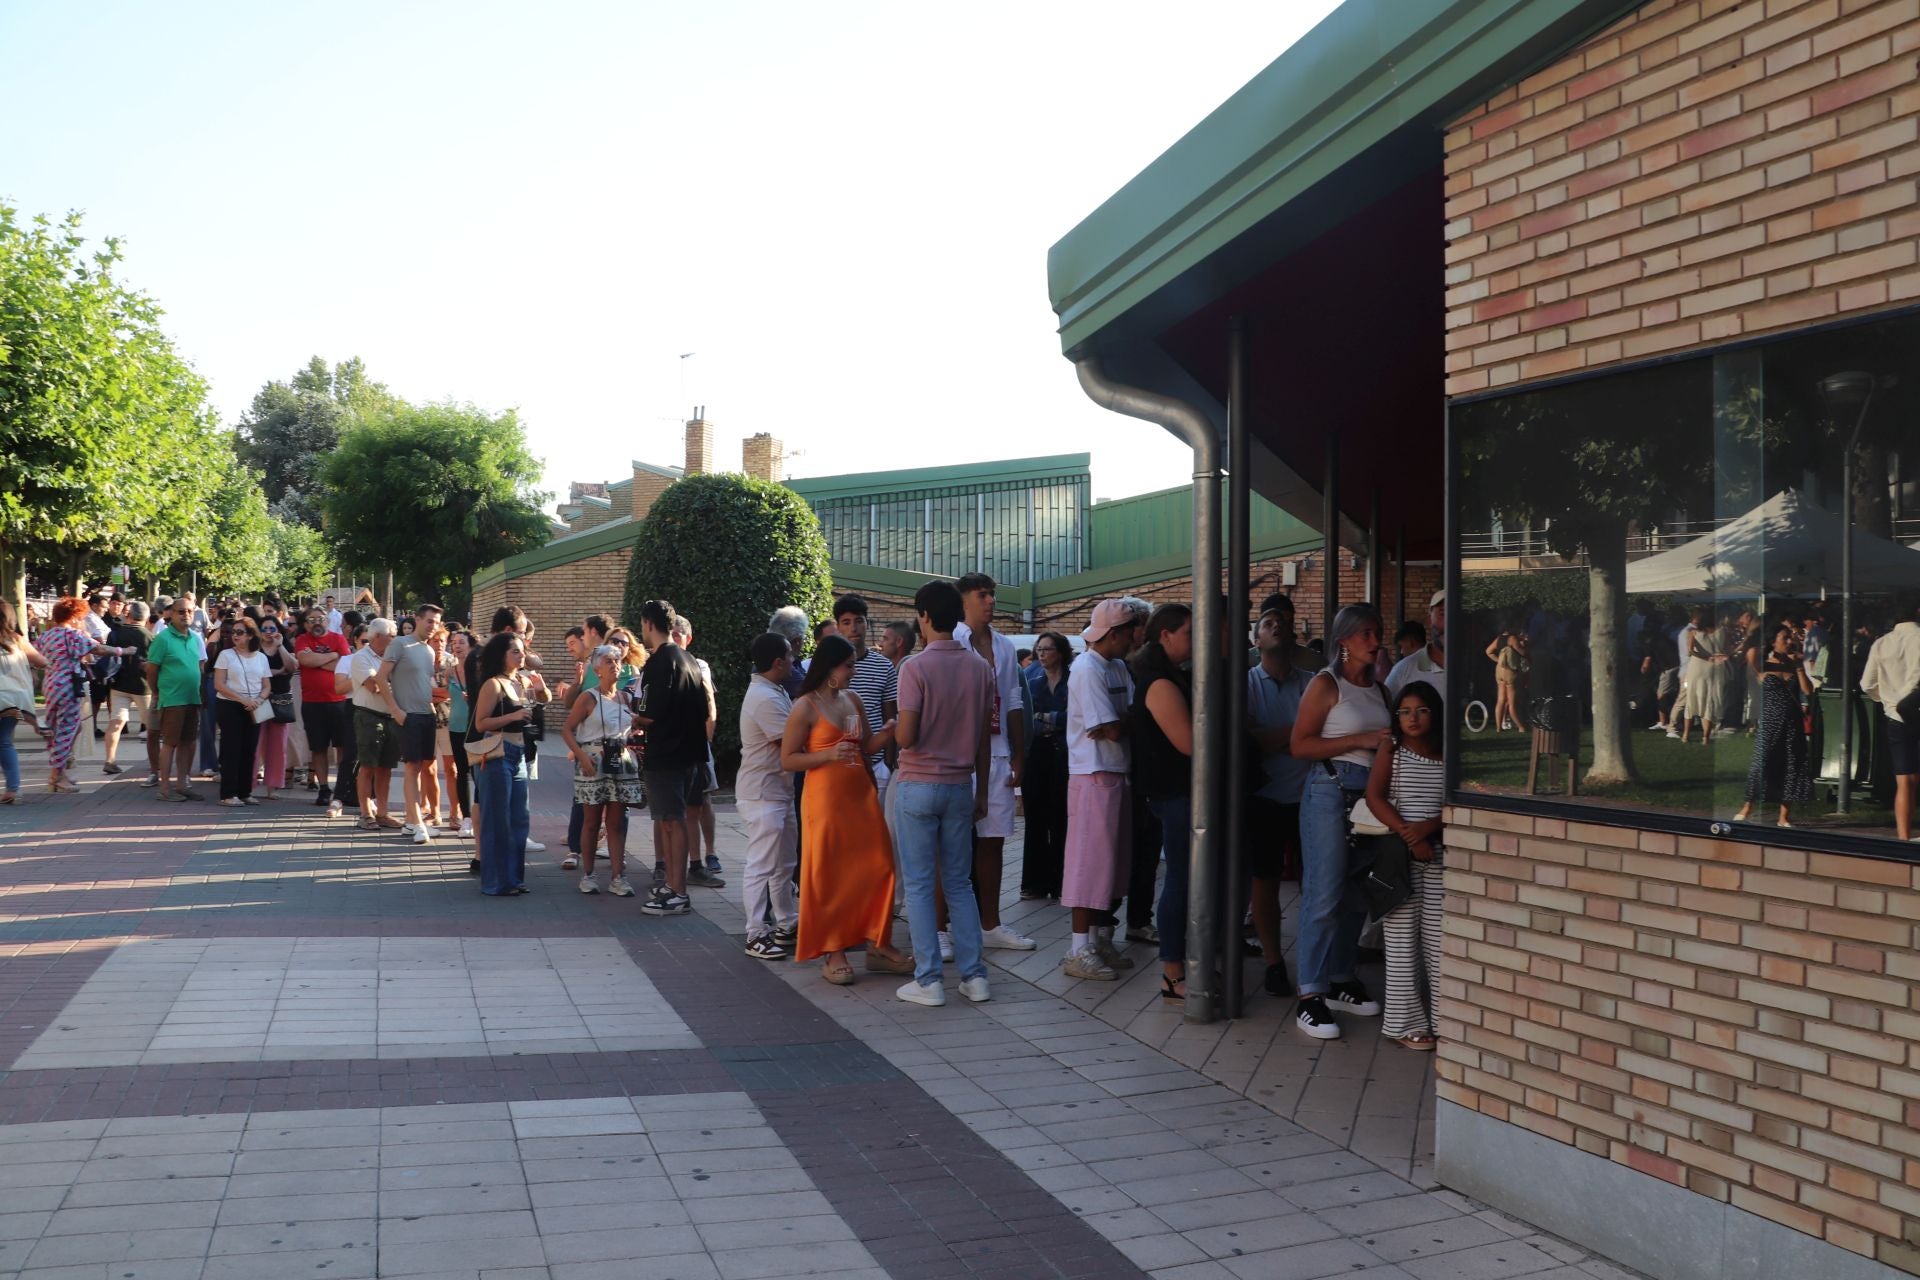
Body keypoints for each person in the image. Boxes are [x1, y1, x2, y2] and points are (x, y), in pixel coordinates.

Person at [782, 635, 912, 984]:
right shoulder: (805, 706)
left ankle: (878, 942)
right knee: (829, 874)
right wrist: (826, 754)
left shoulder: (852, 699)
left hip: (860, 796)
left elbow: (865, 746)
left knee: (880, 866)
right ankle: (833, 951)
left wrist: (888, 732)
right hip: (824, 799)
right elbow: (788, 758)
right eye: (849, 665)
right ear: (830, 668)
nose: (855, 670)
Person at [1288, 602, 1392, 1040]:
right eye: (1365, 633)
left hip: (1370, 795)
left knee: (1356, 892)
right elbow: (1299, 745)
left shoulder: (1381, 690)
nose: (1374, 641)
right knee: (1324, 892)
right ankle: (1310, 993)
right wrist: (1361, 739)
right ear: (1343, 639)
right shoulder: (1325, 684)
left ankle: (1340, 976)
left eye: (1377, 632)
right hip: (1330, 789)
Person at [892, 580, 994, 1007]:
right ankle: (974, 977)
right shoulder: (980, 668)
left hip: (917, 785)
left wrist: (891, 730)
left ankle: (929, 980)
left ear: (924, 617)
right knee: (959, 884)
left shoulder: (913, 668)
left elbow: (908, 735)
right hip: (960, 786)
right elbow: (986, 740)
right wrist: (982, 791)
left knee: (918, 885)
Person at [948, 574, 1035, 952]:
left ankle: (990, 924)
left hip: (998, 751)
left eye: (993, 595)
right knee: (950, 843)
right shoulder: (951, 640)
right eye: (982, 595)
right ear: (964, 601)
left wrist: (1019, 752)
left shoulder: (1003, 644)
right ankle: (941, 927)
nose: (990, 601)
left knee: (993, 841)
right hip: (957, 753)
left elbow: (1014, 699)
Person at [1060, 600, 1142, 981]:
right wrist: (1121, 723)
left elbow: (1130, 719)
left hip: (1115, 770)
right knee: (1089, 865)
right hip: (1092, 773)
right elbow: (1109, 728)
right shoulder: (1086, 669)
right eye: (1130, 632)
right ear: (1114, 633)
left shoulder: (1118, 667)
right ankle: (1079, 948)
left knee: (1111, 865)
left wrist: (1120, 722)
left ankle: (1096, 939)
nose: (1134, 639)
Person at [1365, 680, 1446, 1051]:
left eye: (1422, 710)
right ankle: (1405, 1024)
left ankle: (1447, 1019)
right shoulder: (1392, 750)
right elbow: (1375, 797)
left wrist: (1428, 831)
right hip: (1400, 856)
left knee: (1439, 940)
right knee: (1400, 943)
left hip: (1439, 854)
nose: (1413, 718)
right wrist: (1411, 836)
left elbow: (1454, 802)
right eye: (1405, 711)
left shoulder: (1448, 752)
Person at [1247, 597, 1311, 995]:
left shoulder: (1311, 681)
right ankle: (1273, 962)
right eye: (1269, 622)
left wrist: (1282, 737)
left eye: (1284, 622)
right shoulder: (1246, 682)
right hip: (1264, 798)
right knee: (1264, 882)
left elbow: (1324, 736)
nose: (1278, 626)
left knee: (1317, 885)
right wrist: (1301, 733)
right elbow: (1254, 742)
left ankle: (1314, 962)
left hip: (1310, 797)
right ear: (1256, 638)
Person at [1131, 603, 1194, 1004]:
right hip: (1174, 794)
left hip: (1175, 792)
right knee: (1181, 880)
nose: (1196, 640)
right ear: (1165, 635)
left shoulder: (1168, 677)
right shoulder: (1159, 683)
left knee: (1186, 880)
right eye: (1189, 632)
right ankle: (1172, 971)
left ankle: (1180, 966)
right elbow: (1189, 743)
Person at [633, 600, 706, 916]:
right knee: (671, 821)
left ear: (648, 624)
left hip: (666, 753)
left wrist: (633, 717)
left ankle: (678, 891)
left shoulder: (659, 661)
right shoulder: (688, 658)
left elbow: (648, 713)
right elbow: (703, 709)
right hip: (690, 752)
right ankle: (674, 886)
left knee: (672, 822)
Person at [560, 644, 645, 896]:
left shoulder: (625, 698)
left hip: (621, 761)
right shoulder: (588, 697)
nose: (614, 665)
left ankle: (618, 876)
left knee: (617, 822)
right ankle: (588, 874)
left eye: (618, 661)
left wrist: (638, 725)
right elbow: (567, 729)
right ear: (596, 668)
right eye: (608, 661)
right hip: (594, 761)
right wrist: (582, 757)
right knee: (591, 821)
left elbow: (632, 725)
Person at [738, 634, 801, 960]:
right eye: (790, 656)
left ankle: (786, 923)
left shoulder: (773, 690)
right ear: (777, 662)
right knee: (762, 865)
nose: (794, 660)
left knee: (784, 863)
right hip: (763, 794)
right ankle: (756, 934)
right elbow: (790, 746)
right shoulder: (765, 697)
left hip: (778, 791)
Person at [39, 597, 134, 793]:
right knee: (68, 730)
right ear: (74, 616)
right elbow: (99, 648)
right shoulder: (72, 634)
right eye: (81, 616)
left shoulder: (47, 635)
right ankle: (57, 775)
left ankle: (59, 773)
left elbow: (37, 656)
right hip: (68, 686)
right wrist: (124, 651)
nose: (82, 620)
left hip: (50, 685)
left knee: (62, 729)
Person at [468, 632, 535, 896]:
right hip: (496, 752)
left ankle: (514, 879)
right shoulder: (493, 684)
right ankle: (496, 882)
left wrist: (540, 693)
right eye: (515, 652)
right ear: (501, 656)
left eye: (522, 651)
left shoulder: (520, 680)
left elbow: (542, 701)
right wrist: (514, 715)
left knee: (519, 818)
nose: (522, 656)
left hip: (518, 753)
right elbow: (481, 723)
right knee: (497, 820)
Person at [375, 603, 443, 844]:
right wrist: (395, 710)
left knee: (426, 766)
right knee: (412, 767)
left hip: (427, 714)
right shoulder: (400, 644)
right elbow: (381, 678)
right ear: (417, 619)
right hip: (408, 716)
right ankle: (416, 822)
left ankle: (411, 822)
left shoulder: (429, 651)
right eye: (430, 621)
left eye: (437, 622)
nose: (433, 626)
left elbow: (425, 683)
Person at [1734, 621, 1813, 829]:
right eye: (1784, 638)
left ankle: (1784, 816)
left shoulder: (1794, 663)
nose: (1789, 641)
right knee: (1762, 761)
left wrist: (1798, 667)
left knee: (1792, 764)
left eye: (1790, 638)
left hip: (1793, 720)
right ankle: (1747, 807)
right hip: (1770, 720)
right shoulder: (1763, 662)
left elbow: (1808, 689)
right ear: (1772, 641)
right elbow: (1750, 653)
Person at [671, 614, 725, 887]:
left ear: (688, 639)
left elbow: (709, 704)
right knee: (682, 808)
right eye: (670, 633)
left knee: (703, 801)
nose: (674, 639)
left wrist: (706, 741)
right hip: (675, 748)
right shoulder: (658, 664)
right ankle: (687, 863)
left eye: (678, 634)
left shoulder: (698, 665)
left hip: (697, 745)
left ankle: (710, 852)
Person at [1861, 599, 1920, 842]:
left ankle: (1903, 837)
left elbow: (1867, 683)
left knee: (1904, 779)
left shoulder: (1880, 643)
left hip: (1895, 715)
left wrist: (1886, 700)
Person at [1020, 631, 1072, 900]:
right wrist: (1053, 720)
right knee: (1036, 817)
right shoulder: (1031, 677)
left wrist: (1049, 717)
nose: (1042, 653)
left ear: (1061, 652)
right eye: (1039, 649)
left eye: (1048, 649)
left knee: (1061, 817)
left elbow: (1078, 715)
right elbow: (1026, 717)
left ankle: (1061, 881)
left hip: (1065, 753)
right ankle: (1034, 882)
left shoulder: (1073, 679)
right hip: (1037, 752)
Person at [145, 597, 206, 803]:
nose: (186, 615)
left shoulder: (194, 637)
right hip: (172, 699)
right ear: (171, 613)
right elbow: (151, 669)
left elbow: (199, 666)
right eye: (181, 611)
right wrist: (157, 692)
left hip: (192, 698)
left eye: (189, 611)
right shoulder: (163, 639)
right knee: (170, 743)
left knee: (188, 742)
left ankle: (182, 784)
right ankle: (164, 788)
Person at [211, 617, 270, 807]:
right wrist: (241, 699)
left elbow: (267, 685)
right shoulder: (225, 655)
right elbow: (219, 684)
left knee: (250, 750)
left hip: (255, 705)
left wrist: (259, 699)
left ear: (251, 635)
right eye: (233, 632)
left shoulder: (261, 657)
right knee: (231, 750)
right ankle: (228, 794)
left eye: (240, 632)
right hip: (230, 705)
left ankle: (245, 792)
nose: (235, 636)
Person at [350, 619, 403, 830]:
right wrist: (395, 684)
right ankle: (365, 814)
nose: (395, 639)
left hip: (389, 716)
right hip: (368, 716)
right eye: (392, 635)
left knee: (386, 767)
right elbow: (374, 686)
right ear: (378, 636)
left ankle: (382, 813)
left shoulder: (393, 657)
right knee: (367, 765)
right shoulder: (361, 658)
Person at [0, 601, 47, 805]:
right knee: (4, 742)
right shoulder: (17, 639)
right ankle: (13, 789)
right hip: (14, 700)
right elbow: (42, 661)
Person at [103, 601, 152, 780]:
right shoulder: (149, 636)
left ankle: (110, 760)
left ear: (129, 614)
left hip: (118, 684)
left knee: (116, 723)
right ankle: (155, 764)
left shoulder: (116, 632)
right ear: (146, 617)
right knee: (151, 726)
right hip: (142, 686)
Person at [252, 617, 294, 800]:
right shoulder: (254, 648)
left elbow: (292, 667)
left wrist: (280, 646)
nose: (268, 631)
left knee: (278, 746)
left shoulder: (284, 646)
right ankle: (250, 784)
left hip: (280, 700)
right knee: (255, 743)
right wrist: (277, 671)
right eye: (264, 628)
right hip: (259, 699)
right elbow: (254, 672)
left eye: (272, 628)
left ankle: (273, 786)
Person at [1386, 591, 1447, 706]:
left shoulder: (1474, 668)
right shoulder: (1403, 671)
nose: (1450, 623)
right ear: (1429, 620)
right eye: (1442, 613)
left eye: (1456, 614)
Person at [1679, 613, 1732, 744]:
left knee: (1691, 701)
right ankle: (1705, 737)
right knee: (1708, 701)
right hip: (1713, 667)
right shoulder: (1722, 631)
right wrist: (1718, 656)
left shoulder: (1693, 632)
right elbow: (1728, 649)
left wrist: (1705, 656)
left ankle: (1685, 735)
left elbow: (1690, 650)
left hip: (1696, 667)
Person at [443, 629, 475, 841]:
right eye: (454, 642)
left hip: (475, 727)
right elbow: (445, 695)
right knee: (461, 773)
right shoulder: (450, 672)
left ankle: (481, 816)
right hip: (455, 727)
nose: (457, 646)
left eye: (462, 642)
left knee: (479, 774)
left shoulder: (480, 670)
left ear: (471, 645)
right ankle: (467, 818)